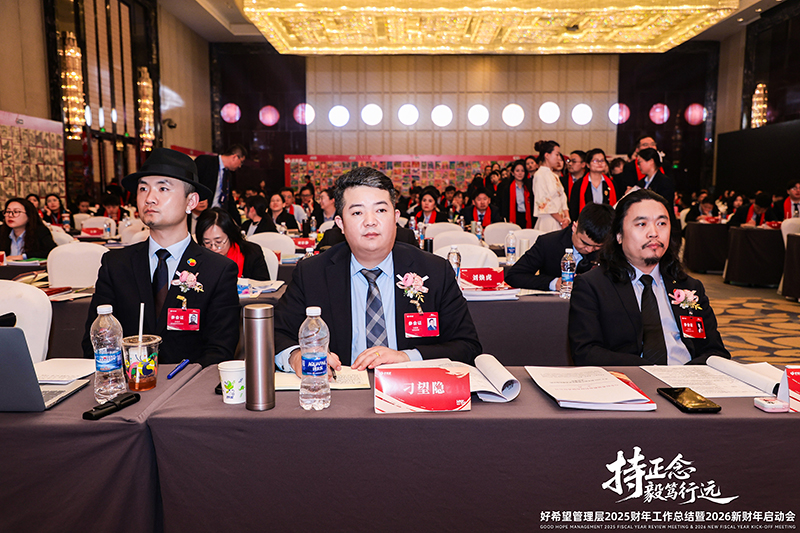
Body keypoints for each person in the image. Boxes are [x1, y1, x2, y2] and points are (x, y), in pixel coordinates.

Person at [274, 166, 482, 376]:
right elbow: (277, 334)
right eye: (357, 212)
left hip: (411, 387)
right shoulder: (312, 273)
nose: (370, 221)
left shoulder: (434, 271)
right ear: (340, 224)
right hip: (340, 388)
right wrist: (296, 356)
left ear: (395, 217)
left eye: (381, 210)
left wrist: (407, 357)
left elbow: (467, 346)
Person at [81, 148, 240, 367]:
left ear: (191, 201)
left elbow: (219, 351)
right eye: (143, 188)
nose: (149, 198)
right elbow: (96, 343)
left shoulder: (218, 270)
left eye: (163, 188)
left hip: (189, 384)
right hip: (129, 382)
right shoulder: (116, 264)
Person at [569, 189, 730, 366]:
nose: (654, 233)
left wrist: (684, 375)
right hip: (630, 378)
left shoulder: (689, 287)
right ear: (619, 235)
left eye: (661, 223)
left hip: (685, 378)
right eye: (642, 224)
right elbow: (586, 353)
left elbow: (715, 352)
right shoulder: (593, 286)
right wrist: (648, 371)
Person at [506, 203, 613, 291]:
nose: (589, 250)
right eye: (585, 243)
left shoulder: (610, 249)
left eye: (596, 247)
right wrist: (554, 283)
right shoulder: (548, 243)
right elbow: (514, 276)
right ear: (574, 227)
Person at [196, 207, 269, 281]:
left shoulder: (252, 253)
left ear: (230, 236)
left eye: (218, 242)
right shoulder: (196, 258)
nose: (213, 248)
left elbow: (264, 285)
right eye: (207, 242)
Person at [195, 144, 247, 222]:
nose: (240, 166)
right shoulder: (205, 161)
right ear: (235, 157)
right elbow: (193, 182)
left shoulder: (228, 175)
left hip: (217, 217)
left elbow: (229, 200)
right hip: (201, 214)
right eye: (241, 162)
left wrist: (237, 220)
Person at [568, 148, 618, 222]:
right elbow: (573, 209)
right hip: (586, 223)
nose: (599, 163)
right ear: (588, 165)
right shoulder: (579, 185)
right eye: (595, 161)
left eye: (602, 160)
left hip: (606, 223)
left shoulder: (611, 184)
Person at [532, 141, 570, 233]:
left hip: (560, 220)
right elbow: (544, 201)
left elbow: (562, 197)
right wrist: (561, 220)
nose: (559, 158)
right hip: (548, 219)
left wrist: (567, 218)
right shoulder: (540, 175)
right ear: (547, 155)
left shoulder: (554, 175)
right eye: (556, 154)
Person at [498, 160, 535, 228]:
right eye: (517, 171)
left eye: (522, 171)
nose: (520, 173)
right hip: (514, 216)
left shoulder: (529, 187)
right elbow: (504, 206)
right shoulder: (507, 188)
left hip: (528, 216)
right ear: (512, 173)